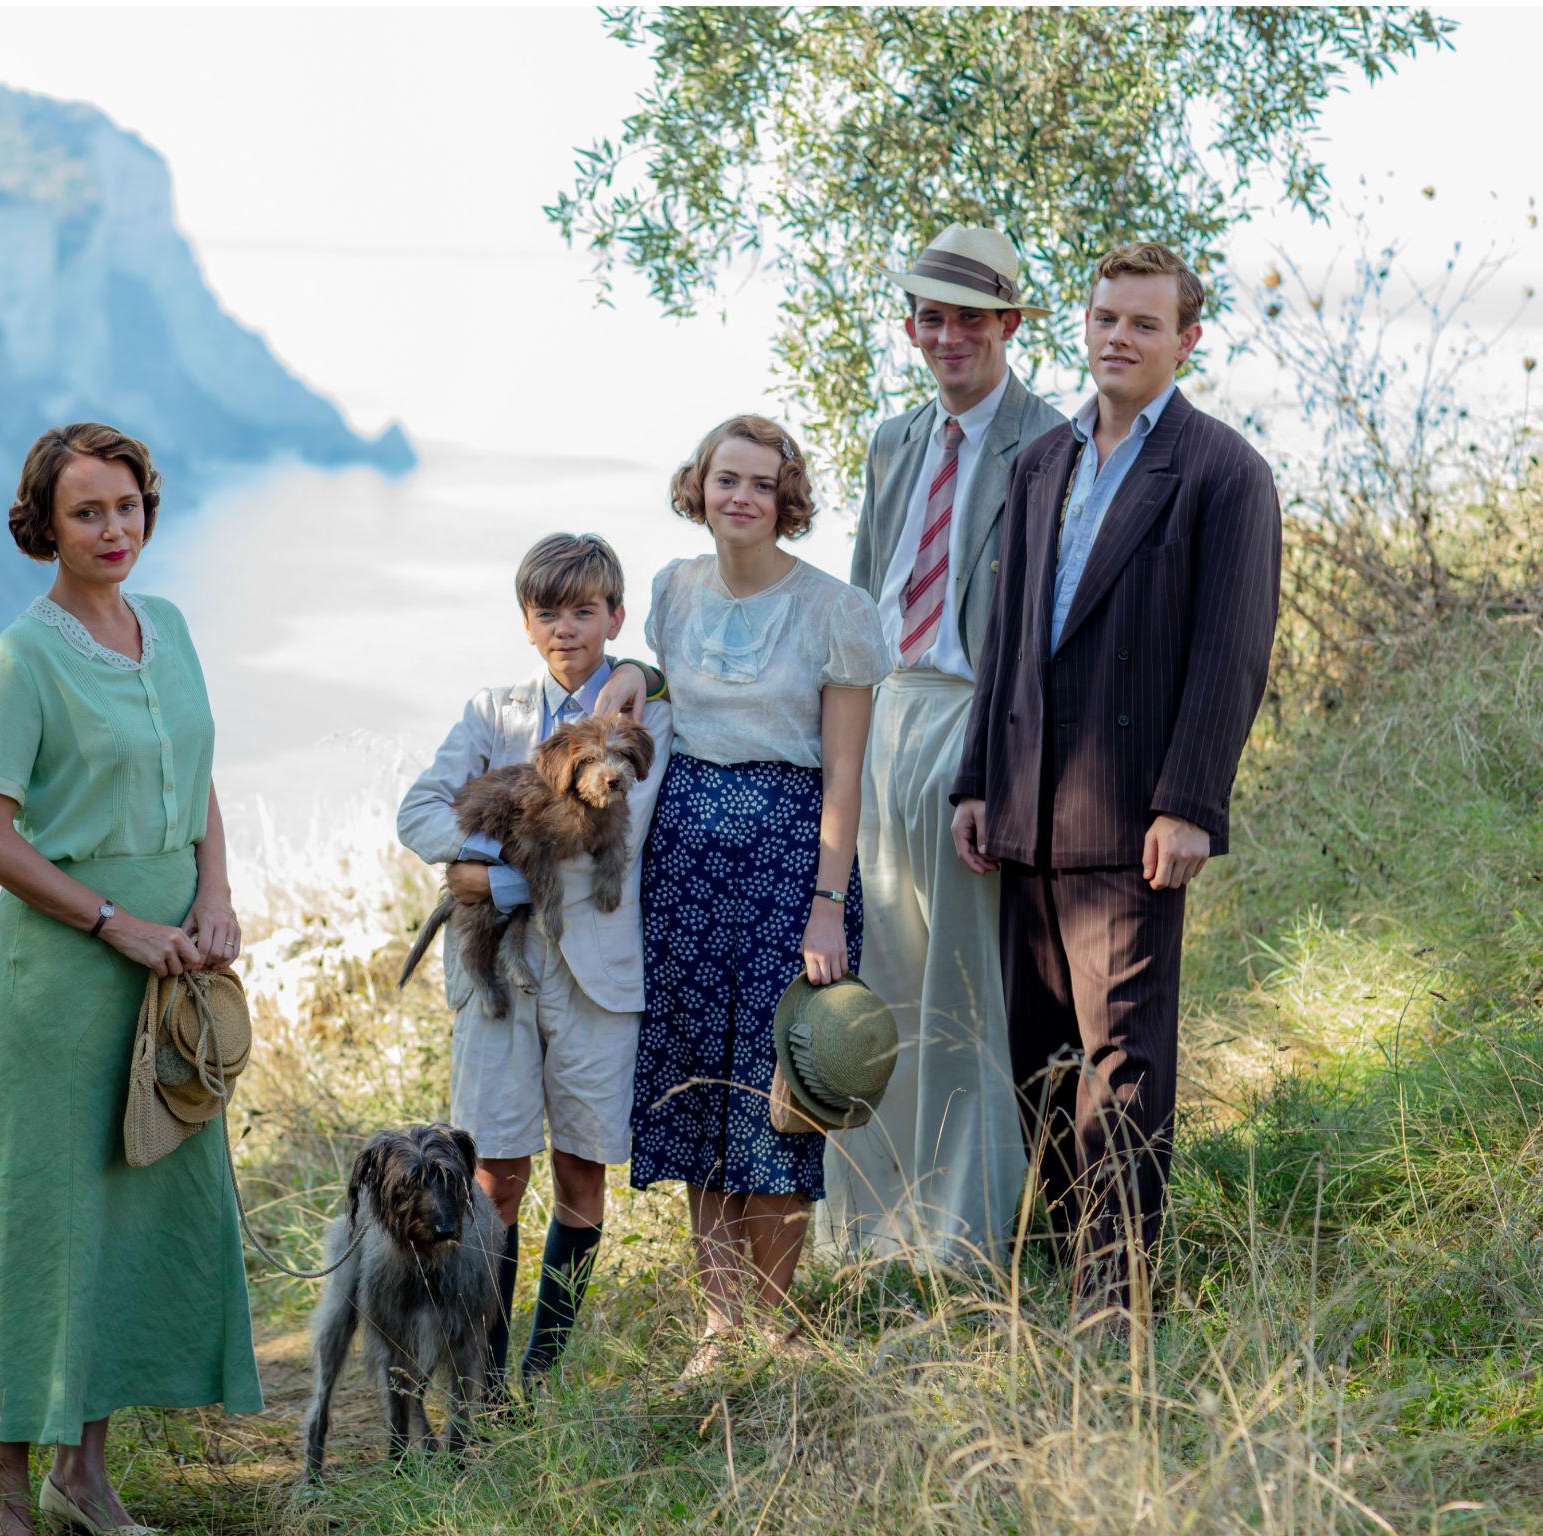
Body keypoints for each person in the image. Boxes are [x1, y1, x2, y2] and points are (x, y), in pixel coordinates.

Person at [949, 243, 1281, 1324]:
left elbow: (1229, 654)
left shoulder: (1222, 471)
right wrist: (972, 783)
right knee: (1035, 1065)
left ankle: (1117, 1297)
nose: (1116, 338)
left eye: (1141, 323)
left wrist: (1188, 803)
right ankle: (1062, 1265)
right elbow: (1003, 641)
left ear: (1186, 341)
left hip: (1134, 813)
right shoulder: (1038, 463)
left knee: (1120, 1067)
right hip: (1025, 806)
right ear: (1081, 326)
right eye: (1102, 318)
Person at [0, 423, 261, 1536]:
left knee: (130, 1213)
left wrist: (213, 894)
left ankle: (86, 1476)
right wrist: (115, 922)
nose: (113, 529)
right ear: (47, 526)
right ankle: (4, 1491)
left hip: (176, 963)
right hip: (70, 974)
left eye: (126, 507)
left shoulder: (164, 628)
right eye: (87, 513)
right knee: (48, 1216)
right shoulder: (21, 659)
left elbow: (200, 775)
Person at [628, 416, 892, 1382]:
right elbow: (667, 697)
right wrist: (627, 670)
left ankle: (775, 1331)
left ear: (788, 499)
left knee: (780, 1093)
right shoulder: (671, 590)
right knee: (700, 1090)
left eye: (761, 483)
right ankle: (717, 1324)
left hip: (791, 859)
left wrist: (828, 900)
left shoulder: (837, 610)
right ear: (696, 486)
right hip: (686, 862)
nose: (739, 496)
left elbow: (846, 775)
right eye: (723, 478)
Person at [822, 226, 1066, 1270]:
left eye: (971, 316)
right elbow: (863, 599)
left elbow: (1049, 623)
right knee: (876, 984)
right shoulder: (890, 442)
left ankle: (960, 1236)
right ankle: (873, 1229)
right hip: (880, 716)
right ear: (908, 326)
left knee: (963, 987)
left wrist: (1003, 767)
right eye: (930, 315)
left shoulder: (1048, 442)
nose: (948, 334)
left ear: (1010, 325)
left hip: (975, 716)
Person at [396, 534, 672, 1397]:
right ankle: (487, 1376)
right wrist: (472, 853)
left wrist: (490, 876)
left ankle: (542, 1369)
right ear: (525, 622)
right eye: (547, 612)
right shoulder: (493, 711)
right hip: (498, 975)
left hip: (597, 971)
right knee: (495, 1170)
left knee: (583, 1168)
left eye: (584, 611)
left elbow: (608, 841)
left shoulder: (645, 715)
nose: (565, 629)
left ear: (615, 617)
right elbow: (417, 810)